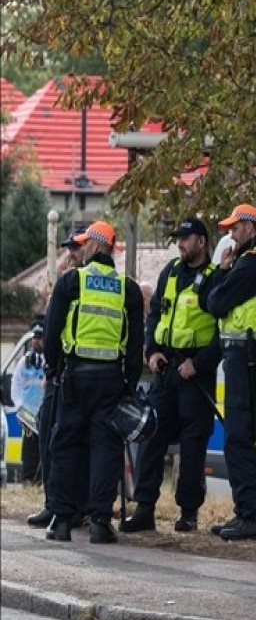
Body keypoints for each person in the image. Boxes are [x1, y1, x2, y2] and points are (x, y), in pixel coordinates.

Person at [41, 221, 144, 543]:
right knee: (106, 449)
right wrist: (129, 382)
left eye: (86, 243)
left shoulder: (72, 282)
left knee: (65, 445)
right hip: (111, 379)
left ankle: (61, 520)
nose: (81, 248)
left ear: (97, 245)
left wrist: (53, 369)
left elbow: (52, 331)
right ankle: (100, 522)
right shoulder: (128, 288)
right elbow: (134, 341)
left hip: (74, 378)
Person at [121, 217, 220, 534]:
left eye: (186, 238)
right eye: (178, 238)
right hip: (166, 370)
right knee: (151, 436)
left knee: (193, 446)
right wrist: (152, 352)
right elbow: (154, 317)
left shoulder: (215, 279)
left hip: (195, 375)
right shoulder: (171, 273)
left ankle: (188, 513)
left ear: (201, 242)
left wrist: (200, 363)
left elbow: (223, 334)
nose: (180, 243)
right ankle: (145, 509)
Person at [198, 203, 256, 542]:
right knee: (240, 437)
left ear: (250, 227)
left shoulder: (254, 264)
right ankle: (245, 512)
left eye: (234, 228)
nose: (230, 234)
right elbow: (209, 299)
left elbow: (215, 304)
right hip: (244, 357)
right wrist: (220, 271)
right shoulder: (253, 262)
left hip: (245, 358)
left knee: (238, 438)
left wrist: (223, 275)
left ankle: (250, 516)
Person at [25, 235, 88, 530]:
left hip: (70, 372)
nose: (71, 254)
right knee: (51, 434)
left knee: (64, 440)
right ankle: (55, 504)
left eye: (75, 249)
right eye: (69, 250)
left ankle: (67, 507)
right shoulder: (68, 282)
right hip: (61, 373)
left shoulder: (83, 284)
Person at [12, 317, 46, 483]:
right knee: (29, 450)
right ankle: (28, 480)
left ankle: (41, 481)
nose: (35, 342)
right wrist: (20, 407)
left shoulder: (50, 363)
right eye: (34, 338)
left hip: (44, 415)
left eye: (39, 338)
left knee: (44, 450)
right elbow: (15, 385)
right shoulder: (24, 363)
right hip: (28, 415)